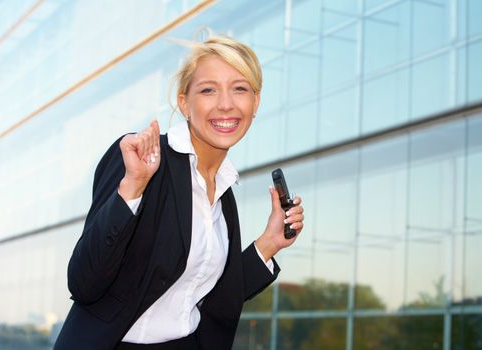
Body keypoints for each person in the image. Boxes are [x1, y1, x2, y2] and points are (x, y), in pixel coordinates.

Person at [54, 35, 304, 350]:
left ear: (255, 102)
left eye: (239, 89)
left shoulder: (224, 193)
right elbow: (84, 283)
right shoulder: (141, 158)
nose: (225, 103)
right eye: (208, 89)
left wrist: (268, 245)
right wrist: (132, 187)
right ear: (185, 102)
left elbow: (208, 297)